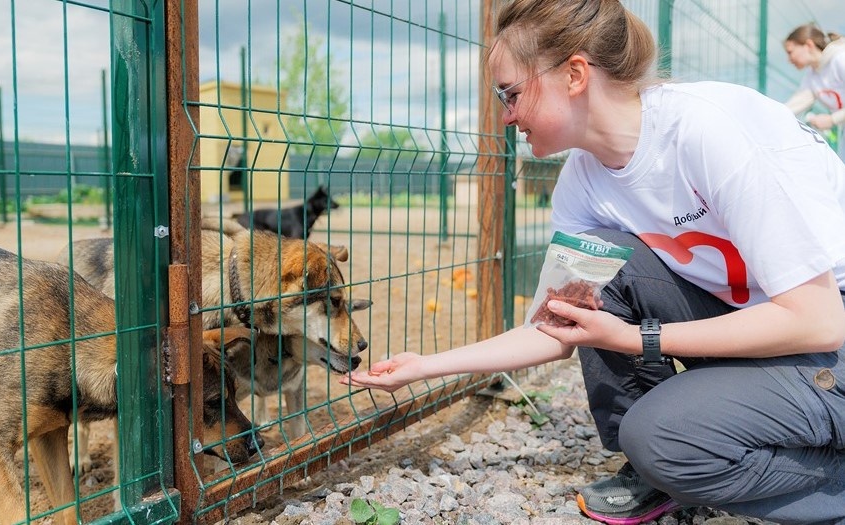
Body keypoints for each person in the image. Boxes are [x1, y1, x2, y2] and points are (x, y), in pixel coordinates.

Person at [342, 1, 845, 524]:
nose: (506, 115)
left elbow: (818, 319)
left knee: (665, 441)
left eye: (510, 93)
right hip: (772, 328)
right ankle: (655, 473)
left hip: (830, 336)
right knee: (606, 260)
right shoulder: (584, 182)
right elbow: (558, 324)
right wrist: (426, 367)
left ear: (576, 74)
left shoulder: (706, 132)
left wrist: (638, 339)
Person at [784, 24, 845, 145]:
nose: (789, 59)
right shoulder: (812, 77)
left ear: (809, 45)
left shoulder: (840, 59)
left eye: (790, 52)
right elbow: (792, 107)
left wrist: (832, 119)